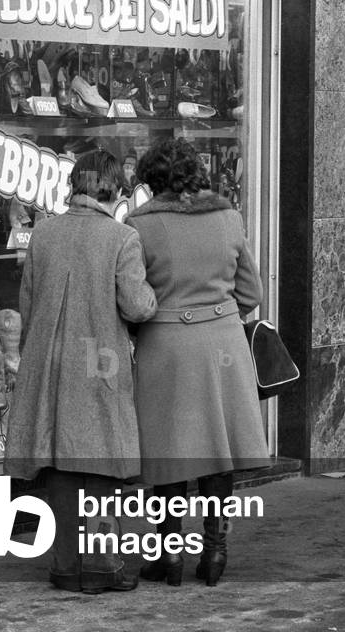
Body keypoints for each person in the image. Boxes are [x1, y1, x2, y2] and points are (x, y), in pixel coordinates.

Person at [4, 149, 157, 594]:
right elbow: (137, 306)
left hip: (52, 364)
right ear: (114, 189)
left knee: (62, 463)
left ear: (76, 185)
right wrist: (156, 297)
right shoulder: (122, 238)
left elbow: (28, 302)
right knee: (102, 464)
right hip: (100, 363)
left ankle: (66, 565)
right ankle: (102, 566)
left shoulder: (44, 233)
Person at [125, 136, 269, 587]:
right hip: (223, 344)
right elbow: (252, 293)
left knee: (167, 453)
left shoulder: (138, 226)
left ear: (152, 181)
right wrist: (217, 314)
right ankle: (215, 551)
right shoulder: (229, 217)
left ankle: (169, 555)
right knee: (217, 453)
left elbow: (134, 301)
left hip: (165, 346)